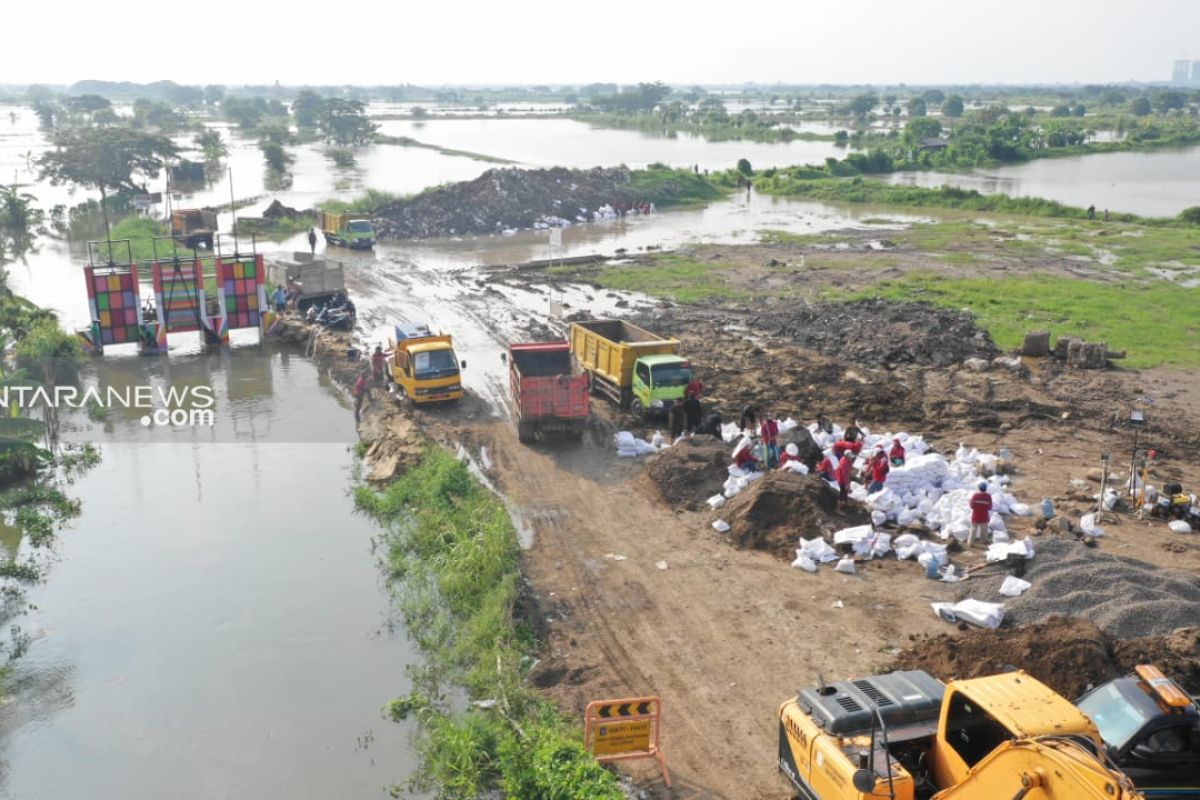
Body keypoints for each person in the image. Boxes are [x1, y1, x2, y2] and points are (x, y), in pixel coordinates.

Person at [969, 481, 993, 547]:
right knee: (984, 530)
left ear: (979, 488)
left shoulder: (975, 496)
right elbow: (990, 507)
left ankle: (971, 542)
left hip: (975, 516)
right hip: (984, 516)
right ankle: (983, 541)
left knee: (973, 530)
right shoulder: (988, 496)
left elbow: (971, 506)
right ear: (986, 488)